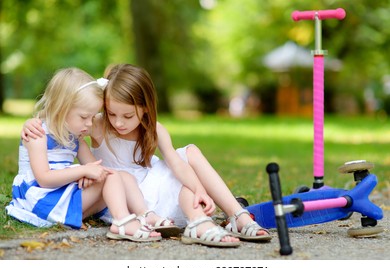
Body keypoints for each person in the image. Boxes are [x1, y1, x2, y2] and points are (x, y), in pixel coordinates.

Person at [22, 63, 272, 247]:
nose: (118, 123)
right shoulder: (97, 124)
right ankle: (201, 223)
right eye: (111, 113)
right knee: (178, 178)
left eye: (128, 116)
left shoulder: (154, 130)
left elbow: (176, 164)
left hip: (150, 183)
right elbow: (62, 116)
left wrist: (199, 189)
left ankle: (235, 216)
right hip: (125, 194)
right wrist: (30, 124)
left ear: (144, 109)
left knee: (189, 155)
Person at [9, 67, 161, 242]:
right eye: (83, 117)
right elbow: (44, 178)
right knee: (112, 177)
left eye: (93, 116)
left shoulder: (76, 138)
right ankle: (122, 221)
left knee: (121, 176)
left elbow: (98, 169)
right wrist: (83, 171)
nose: (90, 124)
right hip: (42, 199)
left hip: (63, 195)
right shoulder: (37, 134)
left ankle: (144, 214)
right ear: (61, 109)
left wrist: (91, 173)